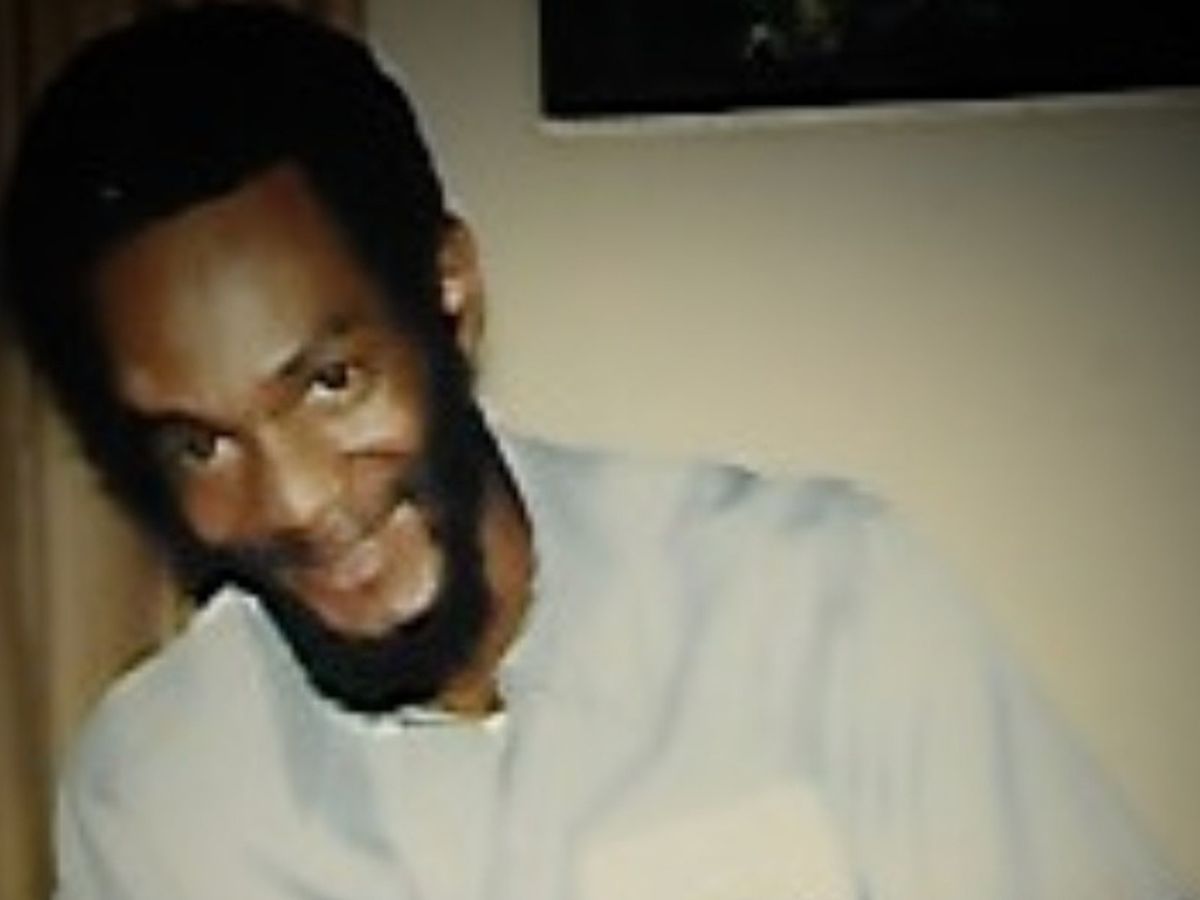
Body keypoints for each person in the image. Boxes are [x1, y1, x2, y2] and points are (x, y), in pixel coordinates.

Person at [1, 5, 1190, 899]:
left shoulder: (823, 606)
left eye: (331, 382)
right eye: (200, 444)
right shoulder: (155, 795)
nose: (301, 500)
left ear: (450, 294)